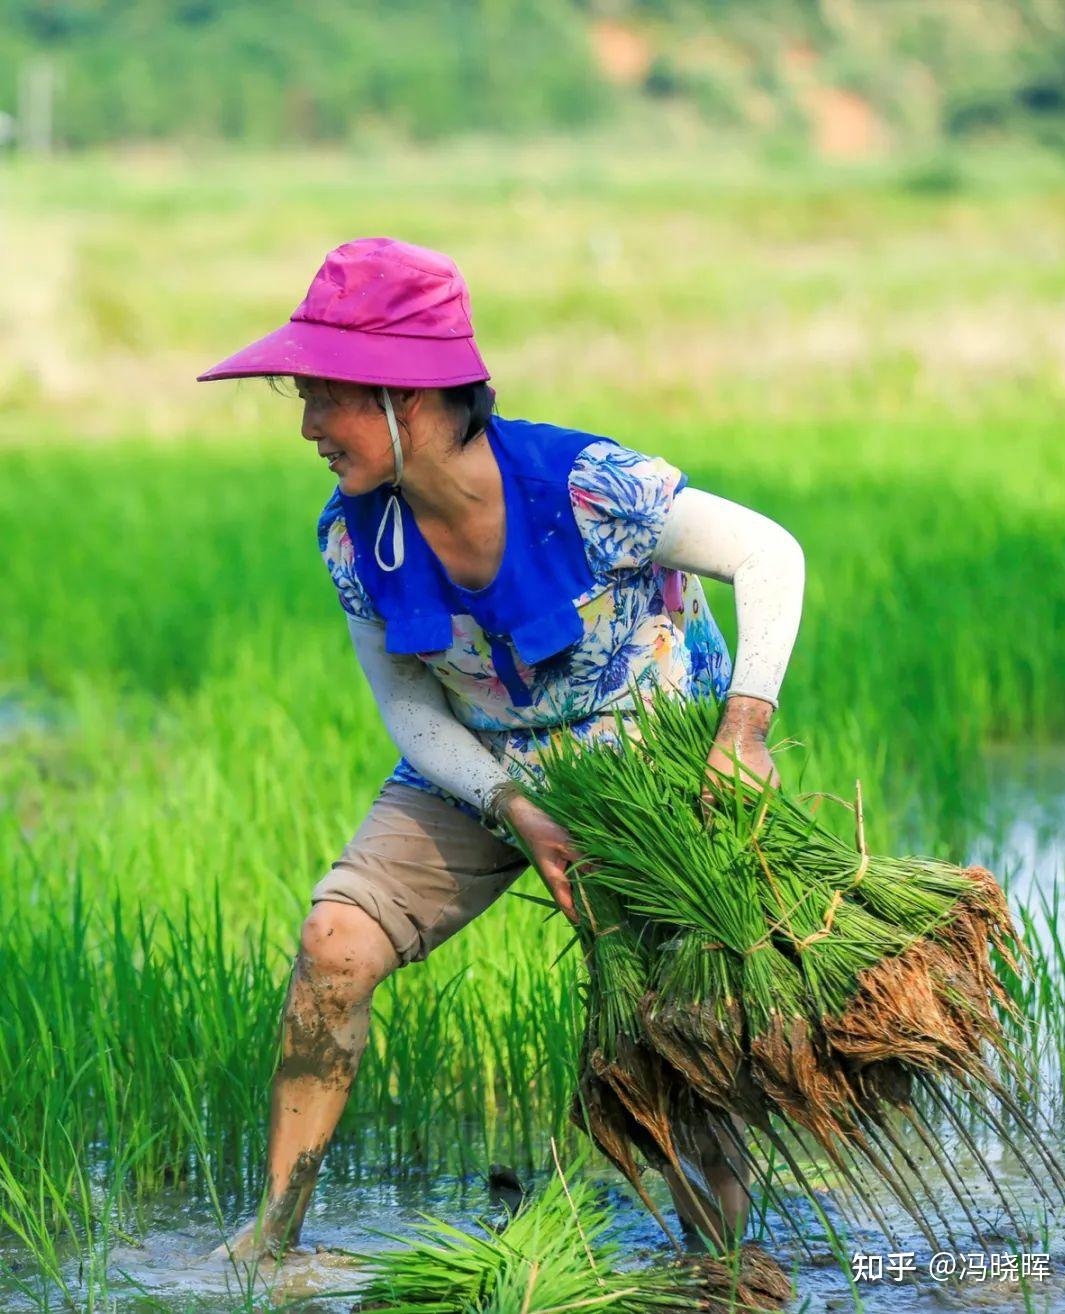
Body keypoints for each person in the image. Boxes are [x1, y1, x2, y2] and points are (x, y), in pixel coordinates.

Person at [197, 236, 805, 1259]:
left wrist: (742, 729)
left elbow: (768, 553)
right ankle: (274, 1239)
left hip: (645, 778)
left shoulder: (585, 487)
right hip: (478, 767)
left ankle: (717, 1259)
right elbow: (413, 712)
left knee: (676, 1013)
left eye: (325, 398)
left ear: (410, 396)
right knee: (333, 946)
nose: (307, 428)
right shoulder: (358, 535)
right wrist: (512, 805)